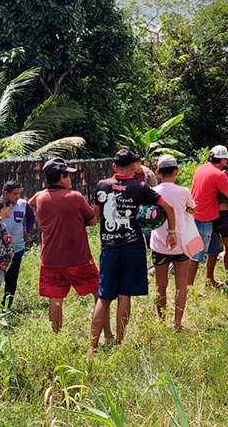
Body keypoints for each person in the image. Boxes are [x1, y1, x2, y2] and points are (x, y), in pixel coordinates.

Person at [90, 149, 177, 347]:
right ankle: (119, 341)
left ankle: (92, 347)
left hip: (109, 247)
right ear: (132, 167)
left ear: (113, 166)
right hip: (132, 247)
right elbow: (168, 208)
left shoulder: (102, 186)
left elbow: (96, 215)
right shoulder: (140, 187)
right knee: (124, 295)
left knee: (103, 297)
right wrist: (171, 232)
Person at [29, 158, 107, 341]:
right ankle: (98, 336)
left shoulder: (40, 198)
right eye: (68, 175)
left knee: (55, 300)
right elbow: (93, 221)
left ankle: (58, 339)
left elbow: (31, 201)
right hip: (77, 258)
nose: (70, 179)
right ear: (62, 177)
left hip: (50, 259)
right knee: (99, 292)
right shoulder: (75, 197)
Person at [150, 154, 193, 330]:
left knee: (160, 285)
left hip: (159, 245)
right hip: (182, 246)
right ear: (176, 171)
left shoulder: (153, 192)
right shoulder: (183, 191)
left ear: (158, 173)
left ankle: (161, 321)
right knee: (181, 286)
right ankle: (177, 324)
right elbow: (192, 208)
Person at [188, 146, 228, 287]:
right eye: (225, 160)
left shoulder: (201, 168)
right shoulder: (218, 175)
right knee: (196, 255)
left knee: (215, 249)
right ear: (222, 160)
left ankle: (209, 281)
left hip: (203, 214)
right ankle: (189, 288)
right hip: (203, 217)